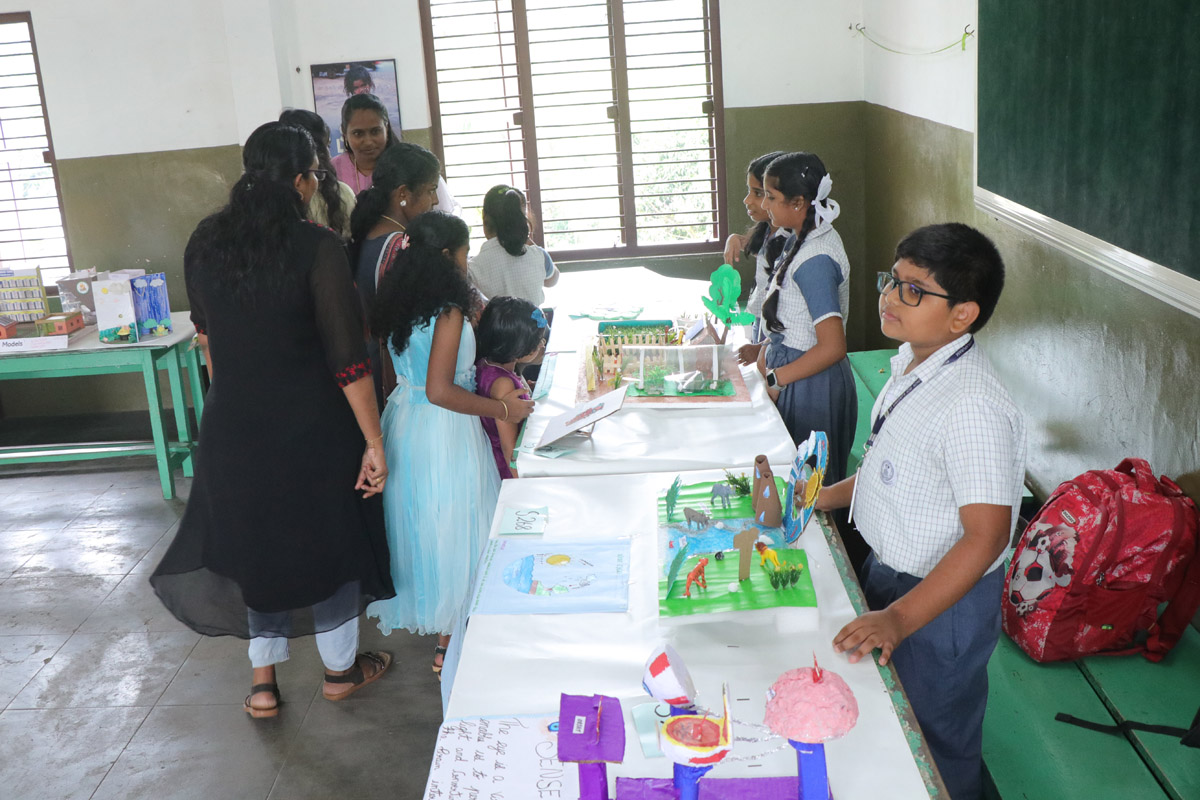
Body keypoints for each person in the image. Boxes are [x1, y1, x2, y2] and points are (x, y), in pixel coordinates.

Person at [150, 122, 395, 718]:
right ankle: (339, 671)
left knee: (254, 542)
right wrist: (373, 440)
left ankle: (263, 684)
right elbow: (348, 361)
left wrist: (231, 402)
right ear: (304, 180)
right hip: (312, 427)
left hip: (233, 424)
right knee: (330, 539)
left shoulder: (205, 241)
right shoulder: (316, 246)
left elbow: (207, 340)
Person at [817, 223, 1026, 800]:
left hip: (943, 603)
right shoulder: (913, 362)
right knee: (890, 717)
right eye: (892, 280)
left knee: (933, 738)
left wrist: (900, 618)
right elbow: (892, 467)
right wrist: (823, 497)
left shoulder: (972, 404)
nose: (889, 296)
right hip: (892, 576)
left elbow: (986, 538)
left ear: (962, 315)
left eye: (913, 290)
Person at [366, 211, 535, 675]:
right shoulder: (447, 310)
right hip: (445, 426)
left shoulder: (400, 304)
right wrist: (503, 410)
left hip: (406, 421)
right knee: (457, 522)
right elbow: (440, 390)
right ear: (446, 256)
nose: (466, 263)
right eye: (463, 254)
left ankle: (446, 634)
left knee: (426, 523)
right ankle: (451, 640)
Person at [756, 152, 857, 484]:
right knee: (796, 482)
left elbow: (832, 347)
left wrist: (776, 379)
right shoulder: (801, 236)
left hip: (812, 385)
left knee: (811, 489)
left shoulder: (816, 258)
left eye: (771, 197)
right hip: (797, 376)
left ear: (798, 202)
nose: (765, 205)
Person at [349, 141, 443, 407]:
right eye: (430, 190)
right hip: (398, 378)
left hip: (372, 368)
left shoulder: (368, 235)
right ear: (403, 193)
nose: (435, 200)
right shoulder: (401, 248)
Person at [332, 93, 462, 216]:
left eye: (375, 131)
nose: (368, 141)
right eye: (358, 134)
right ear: (344, 132)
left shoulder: (413, 164)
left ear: (386, 128)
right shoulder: (333, 169)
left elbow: (447, 215)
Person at [722, 151, 788, 365]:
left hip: (779, 341)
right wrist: (735, 239)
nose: (747, 200)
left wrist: (761, 348)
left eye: (758, 193)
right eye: (749, 191)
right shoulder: (768, 229)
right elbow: (760, 247)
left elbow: (793, 321)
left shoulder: (790, 244)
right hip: (763, 322)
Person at [475, 297, 547, 478]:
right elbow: (509, 449)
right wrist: (522, 484)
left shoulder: (487, 364)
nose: (542, 344)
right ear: (518, 347)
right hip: (511, 469)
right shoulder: (503, 385)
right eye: (538, 341)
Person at [468, 185, 559, 306]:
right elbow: (553, 280)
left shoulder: (473, 268)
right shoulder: (539, 256)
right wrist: (525, 238)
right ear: (523, 222)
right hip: (534, 319)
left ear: (485, 220)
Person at [279, 108, 354, 238]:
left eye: (328, 145)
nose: (329, 154)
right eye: (326, 146)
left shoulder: (341, 194)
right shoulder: (342, 193)